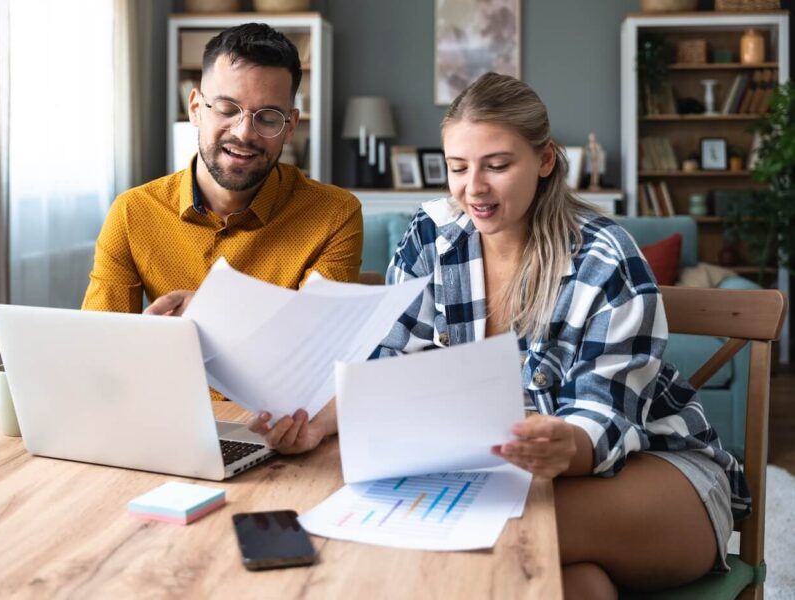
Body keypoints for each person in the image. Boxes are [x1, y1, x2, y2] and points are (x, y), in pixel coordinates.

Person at [250, 73, 748, 598]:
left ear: (546, 160)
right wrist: (319, 422)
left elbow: (604, 418)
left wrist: (566, 445)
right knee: (572, 585)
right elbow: (384, 364)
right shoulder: (432, 238)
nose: (474, 189)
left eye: (498, 165)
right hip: (510, 479)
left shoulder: (606, 256)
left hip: (653, 471)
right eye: (458, 168)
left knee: (479, 540)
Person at [82, 23, 362, 318]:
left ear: (290, 126)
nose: (244, 134)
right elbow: (102, 339)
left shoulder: (335, 214)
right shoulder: (132, 213)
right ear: (195, 108)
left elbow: (316, 339)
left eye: (267, 117)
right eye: (227, 109)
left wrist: (213, 313)